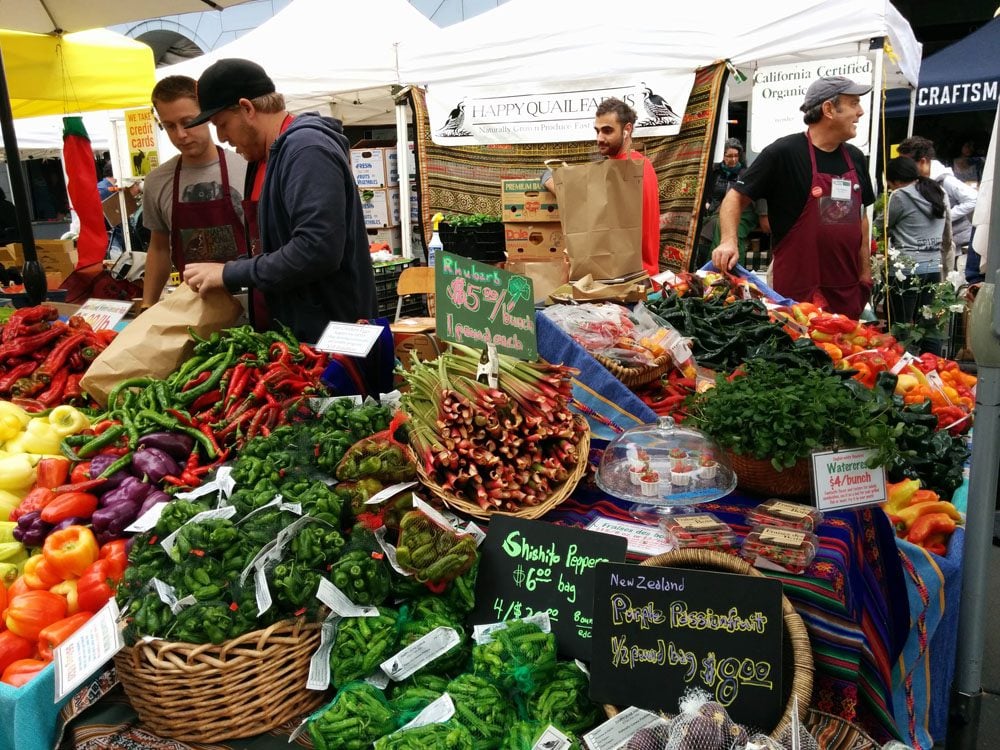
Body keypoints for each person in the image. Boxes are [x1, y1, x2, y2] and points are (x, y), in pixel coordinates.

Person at [182, 58, 376, 342]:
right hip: (295, 337)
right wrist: (225, 270)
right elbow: (275, 245)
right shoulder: (264, 157)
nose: (221, 137)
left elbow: (316, 250)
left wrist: (231, 273)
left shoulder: (307, 150)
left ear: (247, 108)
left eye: (222, 124)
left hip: (334, 339)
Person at [711, 76, 875, 319]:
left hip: (845, 290)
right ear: (828, 109)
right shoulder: (783, 153)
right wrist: (728, 241)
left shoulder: (855, 157)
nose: (860, 112)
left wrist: (865, 272)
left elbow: (860, 217)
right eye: (853, 103)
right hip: (798, 295)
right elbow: (734, 199)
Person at [140, 75, 248, 309]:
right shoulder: (157, 182)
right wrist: (147, 304)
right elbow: (158, 248)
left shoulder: (247, 168)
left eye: (188, 122)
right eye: (169, 126)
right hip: (192, 308)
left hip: (249, 305)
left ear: (207, 116)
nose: (180, 134)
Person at [542, 97, 661, 278]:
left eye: (607, 131)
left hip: (626, 280)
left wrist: (549, 180)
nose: (599, 138)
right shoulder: (643, 164)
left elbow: (581, 200)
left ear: (627, 130)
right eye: (597, 131)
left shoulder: (621, 170)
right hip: (641, 276)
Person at [896, 136, 980, 284]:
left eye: (907, 163)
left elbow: (973, 198)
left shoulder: (945, 180)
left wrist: (944, 216)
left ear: (922, 162)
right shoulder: (917, 183)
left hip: (957, 248)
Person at [883, 156, 948, 346]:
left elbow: (885, 224)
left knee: (901, 327)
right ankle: (933, 370)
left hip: (906, 269)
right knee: (930, 327)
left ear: (895, 180)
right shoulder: (938, 191)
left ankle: (903, 370)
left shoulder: (900, 195)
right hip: (934, 267)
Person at [695, 138, 763, 268]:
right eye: (729, 156)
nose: (733, 159)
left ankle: (726, 268)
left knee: (723, 225)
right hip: (715, 211)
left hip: (743, 211)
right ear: (722, 156)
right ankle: (706, 267)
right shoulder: (715, 173)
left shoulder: (746, 173)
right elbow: (707, 193)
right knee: (703, 230)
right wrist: (707, 203)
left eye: (736, 156)